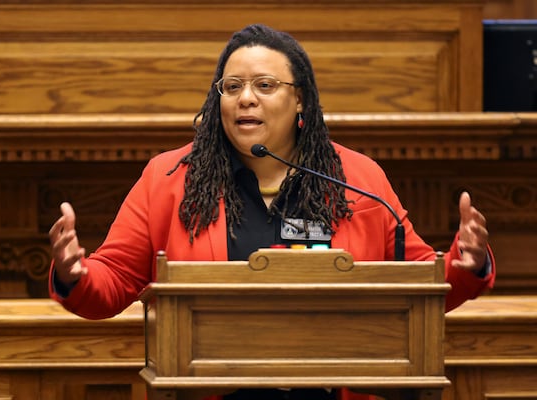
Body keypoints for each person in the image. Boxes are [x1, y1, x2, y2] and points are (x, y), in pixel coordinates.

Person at [49, 24, 495, 400]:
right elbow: (113, 283)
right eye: (232, 86)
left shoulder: (358, 180)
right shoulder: (168, 179)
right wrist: (75, 274)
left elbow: (421, 282)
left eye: (265, 85)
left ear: (300, 99)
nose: (246, 98)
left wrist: (464, 263)